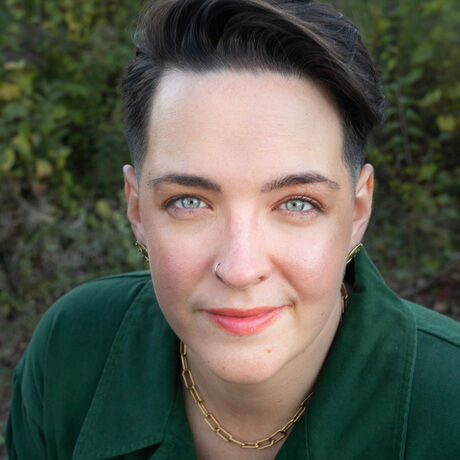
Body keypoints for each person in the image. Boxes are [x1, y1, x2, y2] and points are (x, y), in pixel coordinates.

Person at [6, 0, 460, 459]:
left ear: (357, 212)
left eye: (297, 203)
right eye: (189, 202)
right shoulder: (70, 352)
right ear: (138, 210)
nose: (240, 270)